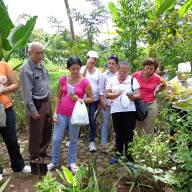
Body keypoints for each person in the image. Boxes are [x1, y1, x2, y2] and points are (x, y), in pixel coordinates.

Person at [48, 56, 93, 173]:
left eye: (78, 68)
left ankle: (72, 163)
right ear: (68, 68)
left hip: (75, 116)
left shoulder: (84, 82)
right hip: (61, 113)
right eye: (73, 69)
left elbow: (91, 99)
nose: (76, 71)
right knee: (56, 139)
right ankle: (54, 161)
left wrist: (80, 99)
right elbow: (58, 96)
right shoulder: (63, 79)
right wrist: (55, 112)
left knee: (73, 139)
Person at [19, 42, 52, 172]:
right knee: (35, 133)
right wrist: (32, 110)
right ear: (30, 53)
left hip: (46, 101)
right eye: (37, 53)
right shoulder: (26, 69)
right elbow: (26, 93)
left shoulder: (41, 64)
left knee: (47, 129)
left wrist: (48, 97)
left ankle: (42, 152)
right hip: (36, 105)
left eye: (42, 52)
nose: (40, 55)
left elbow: (46, 81)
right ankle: (34, 157)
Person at [0, 61, 31, 181]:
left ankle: (19, 166)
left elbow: (15, 84)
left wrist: (3, 90)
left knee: (12, 139)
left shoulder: (3, 65)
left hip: (5, 108)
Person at [106, 61, 140, 164]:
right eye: (122, 71)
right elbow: (107, 94)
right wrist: (116, 94)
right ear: (118, 69)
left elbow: (139, 94)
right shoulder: (111, 80)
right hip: (116, 111)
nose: (124, 74)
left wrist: (132, 96)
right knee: (119, 133)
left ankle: (129, 156)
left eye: (126, 72)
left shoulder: (132, 80)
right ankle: (118, 154)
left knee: (129, 134)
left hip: (130, 111)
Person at [132, 58, 166, 136]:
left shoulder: (157, 78)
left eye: (151, 69)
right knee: (138, 127)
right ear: (143, 67)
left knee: (149, 127)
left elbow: (163, 86)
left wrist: (158, 90)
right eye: (147, 68)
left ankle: (149, 146)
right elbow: (128, 84)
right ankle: (140, 145)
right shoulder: (135, 75)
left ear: (154, 69)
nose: (149, 70)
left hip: (151, 104)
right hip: (138, 104)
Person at [80, 50, 103, 152]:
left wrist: (100, 102)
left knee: (91, 119)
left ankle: (92, 141)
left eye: (94, 59)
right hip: (83, 99)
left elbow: (100, 87)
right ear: (87, 58)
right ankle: (75, 139)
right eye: (90, 59)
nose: (92, 61)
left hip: (94, 100)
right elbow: (81, 79)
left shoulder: (98, 72)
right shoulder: (82, 69)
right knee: (79, 118)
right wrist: (86, 67)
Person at [99, 55, 118, 153]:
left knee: (117, 124)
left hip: (116, 104)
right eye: (109, 63)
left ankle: (116, 144)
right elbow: (101, 90)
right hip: (106, 103)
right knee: (105, 123)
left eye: (113, 63)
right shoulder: (104, 75)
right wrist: (102, 101)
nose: (110, 65)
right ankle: (103, 144)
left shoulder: (119, 75)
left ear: (116, 64)